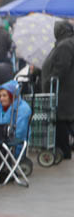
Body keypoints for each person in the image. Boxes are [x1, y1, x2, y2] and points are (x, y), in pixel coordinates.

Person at [41, 20, 74, 160]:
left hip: (63, 90)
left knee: (61, 119)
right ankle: (64, 149)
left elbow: (61, 66)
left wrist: (50, 79)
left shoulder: (65, 45)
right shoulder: (66, 43)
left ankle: (64, 150)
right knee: (66, 121)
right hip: (66, 89)